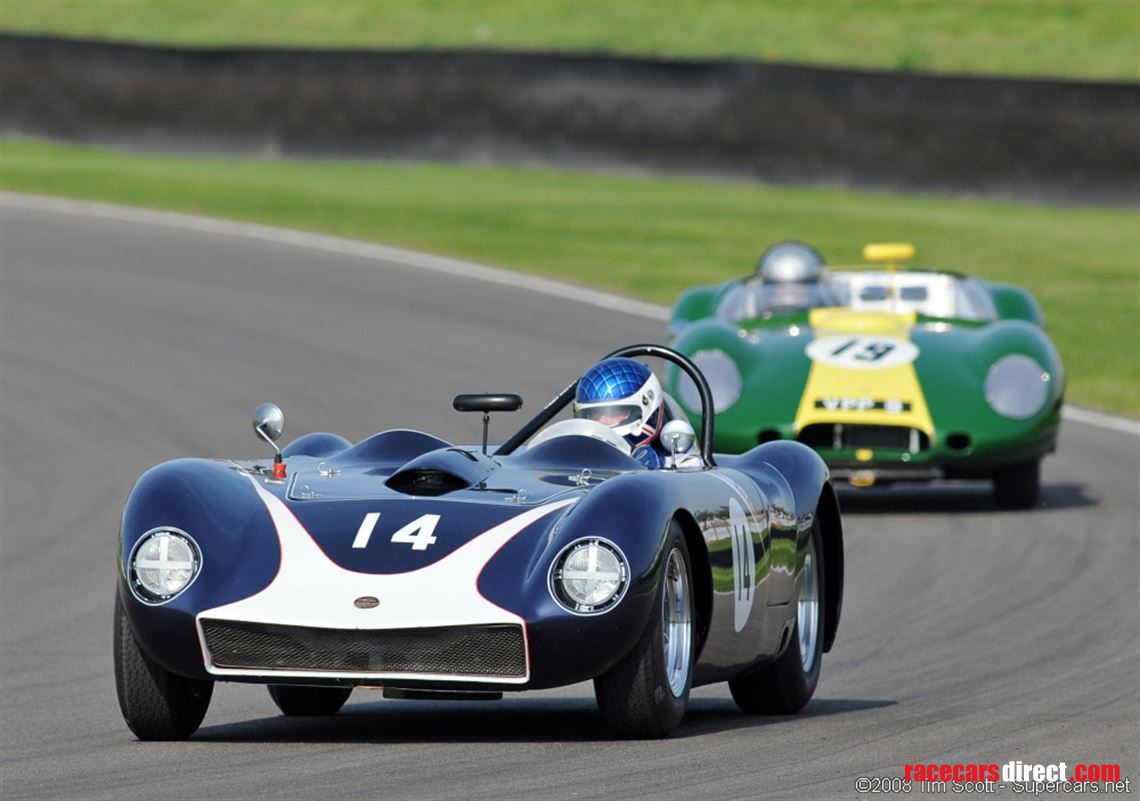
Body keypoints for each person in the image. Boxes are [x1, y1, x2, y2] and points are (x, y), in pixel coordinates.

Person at [573, 357, 694, 469]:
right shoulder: (571, 461)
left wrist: (659, 467)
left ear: (647, 409)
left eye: (615, 413)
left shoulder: (684, 464)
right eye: (595, 415)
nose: (603, 422)